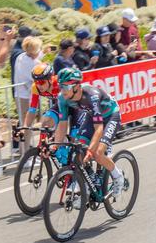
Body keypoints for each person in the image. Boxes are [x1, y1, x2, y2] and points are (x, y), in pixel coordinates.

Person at [53, 67, 128, 199]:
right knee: (78, 150)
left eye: (65, 86)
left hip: (110, 116)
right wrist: (55, 146)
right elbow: (62, 124)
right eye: (60, 86)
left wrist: (91, 150)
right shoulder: (62, 98)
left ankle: (118, 176)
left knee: (97, 153)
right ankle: (87, 185)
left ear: (76, 86)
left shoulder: (91, 96)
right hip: (91, 116)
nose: (62, 90)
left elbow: (99, 128)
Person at [13, 36, 43, 155]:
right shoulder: (35, 63)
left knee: (24, 125)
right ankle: (25, 155)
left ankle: (23, 152)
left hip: (19, 95)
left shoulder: (20, 57)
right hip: (28, 97)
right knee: (27, 127)